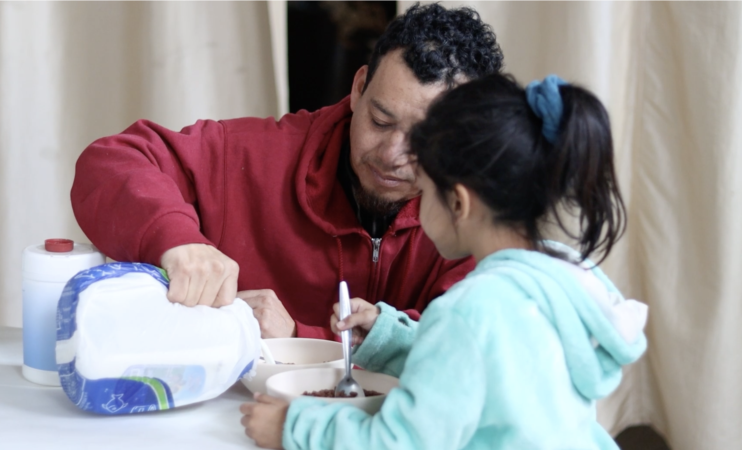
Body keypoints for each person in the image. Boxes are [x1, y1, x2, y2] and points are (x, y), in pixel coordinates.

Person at [239, 73, 649, 449]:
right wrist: (389, 338)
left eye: (425, 189)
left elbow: (400, 442)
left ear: (458, 201)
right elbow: (490, 365)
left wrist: (293, 427)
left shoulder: (471, 310)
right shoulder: (563, 278)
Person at [70, 4, 504, 339]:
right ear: (358, 88)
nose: (392, 154)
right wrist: (176, 239)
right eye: (380, 120)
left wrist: (300, 338)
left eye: (425, 140)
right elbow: (113, 161)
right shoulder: (256, 155)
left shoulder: (483, 212)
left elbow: (464, 347)